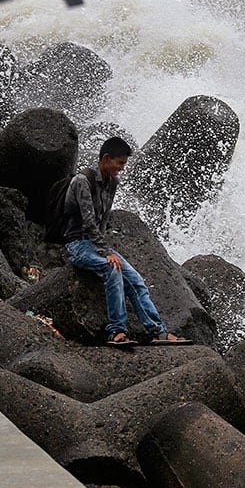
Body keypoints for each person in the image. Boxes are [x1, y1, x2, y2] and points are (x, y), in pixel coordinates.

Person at [62, 137, 191, 347]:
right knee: (112, 269)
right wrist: (106, 252)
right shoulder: (82, 181)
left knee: (136, 280)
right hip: (76, 243)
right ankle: (116, 332)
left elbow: (103, 220)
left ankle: (157, 331)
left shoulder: (112, 182)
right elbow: (88, 222)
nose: (122, 168)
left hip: (95, 244)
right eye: (120, 163)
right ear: (106, 158)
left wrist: (104, 248)